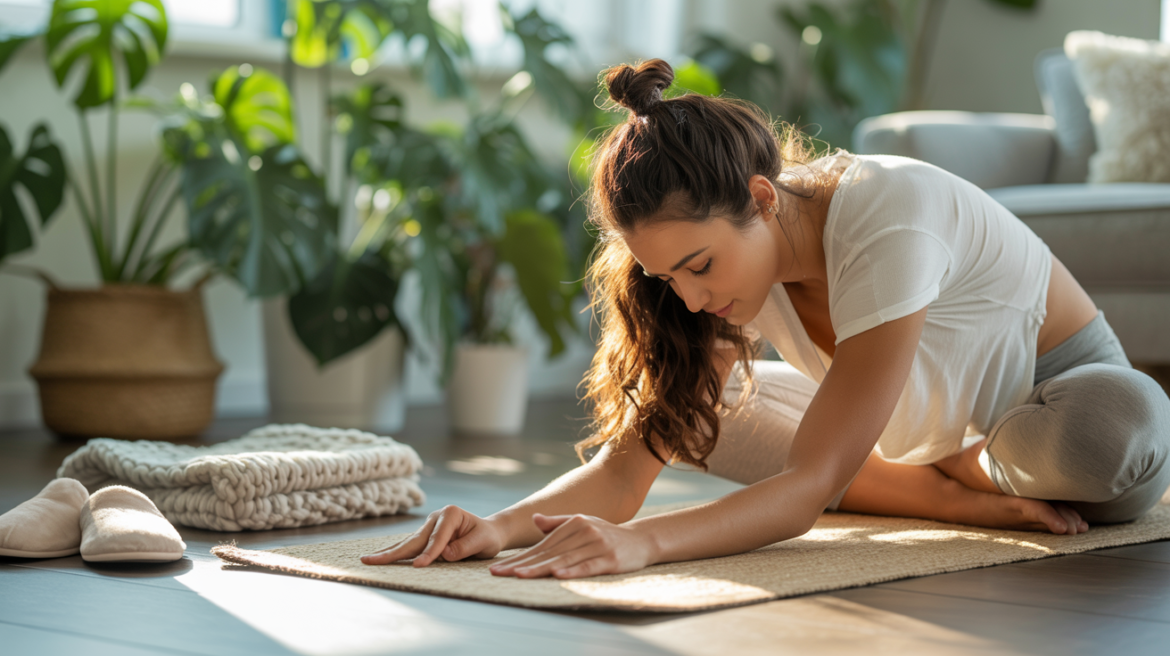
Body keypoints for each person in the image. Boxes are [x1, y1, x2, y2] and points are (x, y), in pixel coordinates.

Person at [360, 59, 1170, 580]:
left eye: (700, 265)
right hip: (908, 426)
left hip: (1054, 395)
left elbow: (807, 489)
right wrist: (497, 528)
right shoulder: (715, 283)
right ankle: (950, 484)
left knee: (1111, 442)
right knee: (703, 418)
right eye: (663, 275)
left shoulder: (886, 212)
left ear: (760, 199)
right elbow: (622, 473)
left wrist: (644, 544)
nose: (688, 297)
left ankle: (964, 475)